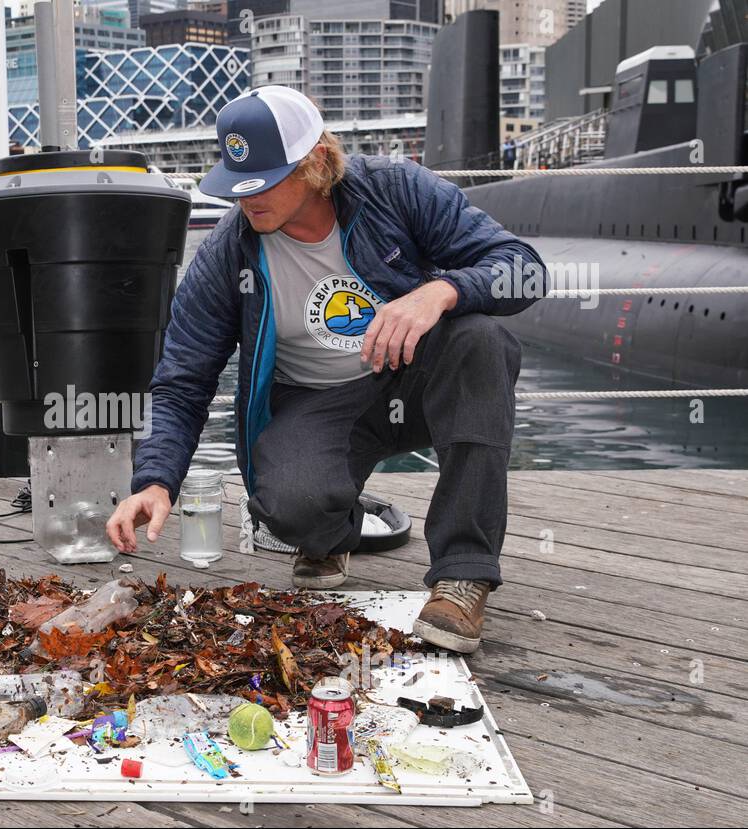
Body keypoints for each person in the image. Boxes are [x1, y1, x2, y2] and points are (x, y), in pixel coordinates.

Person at [105, 87, 545, 654]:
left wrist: (440, 291)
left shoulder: (397, 188)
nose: (246, 199)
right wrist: (155, 480)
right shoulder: (226, 254)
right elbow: (181, 382)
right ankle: (330, 531)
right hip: (317, 400)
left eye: (263, 181)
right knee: (290, 506)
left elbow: (524, 270)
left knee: (482, 340)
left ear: (316, 161)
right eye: (238, 185)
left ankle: (463, 575)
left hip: (416, 376)